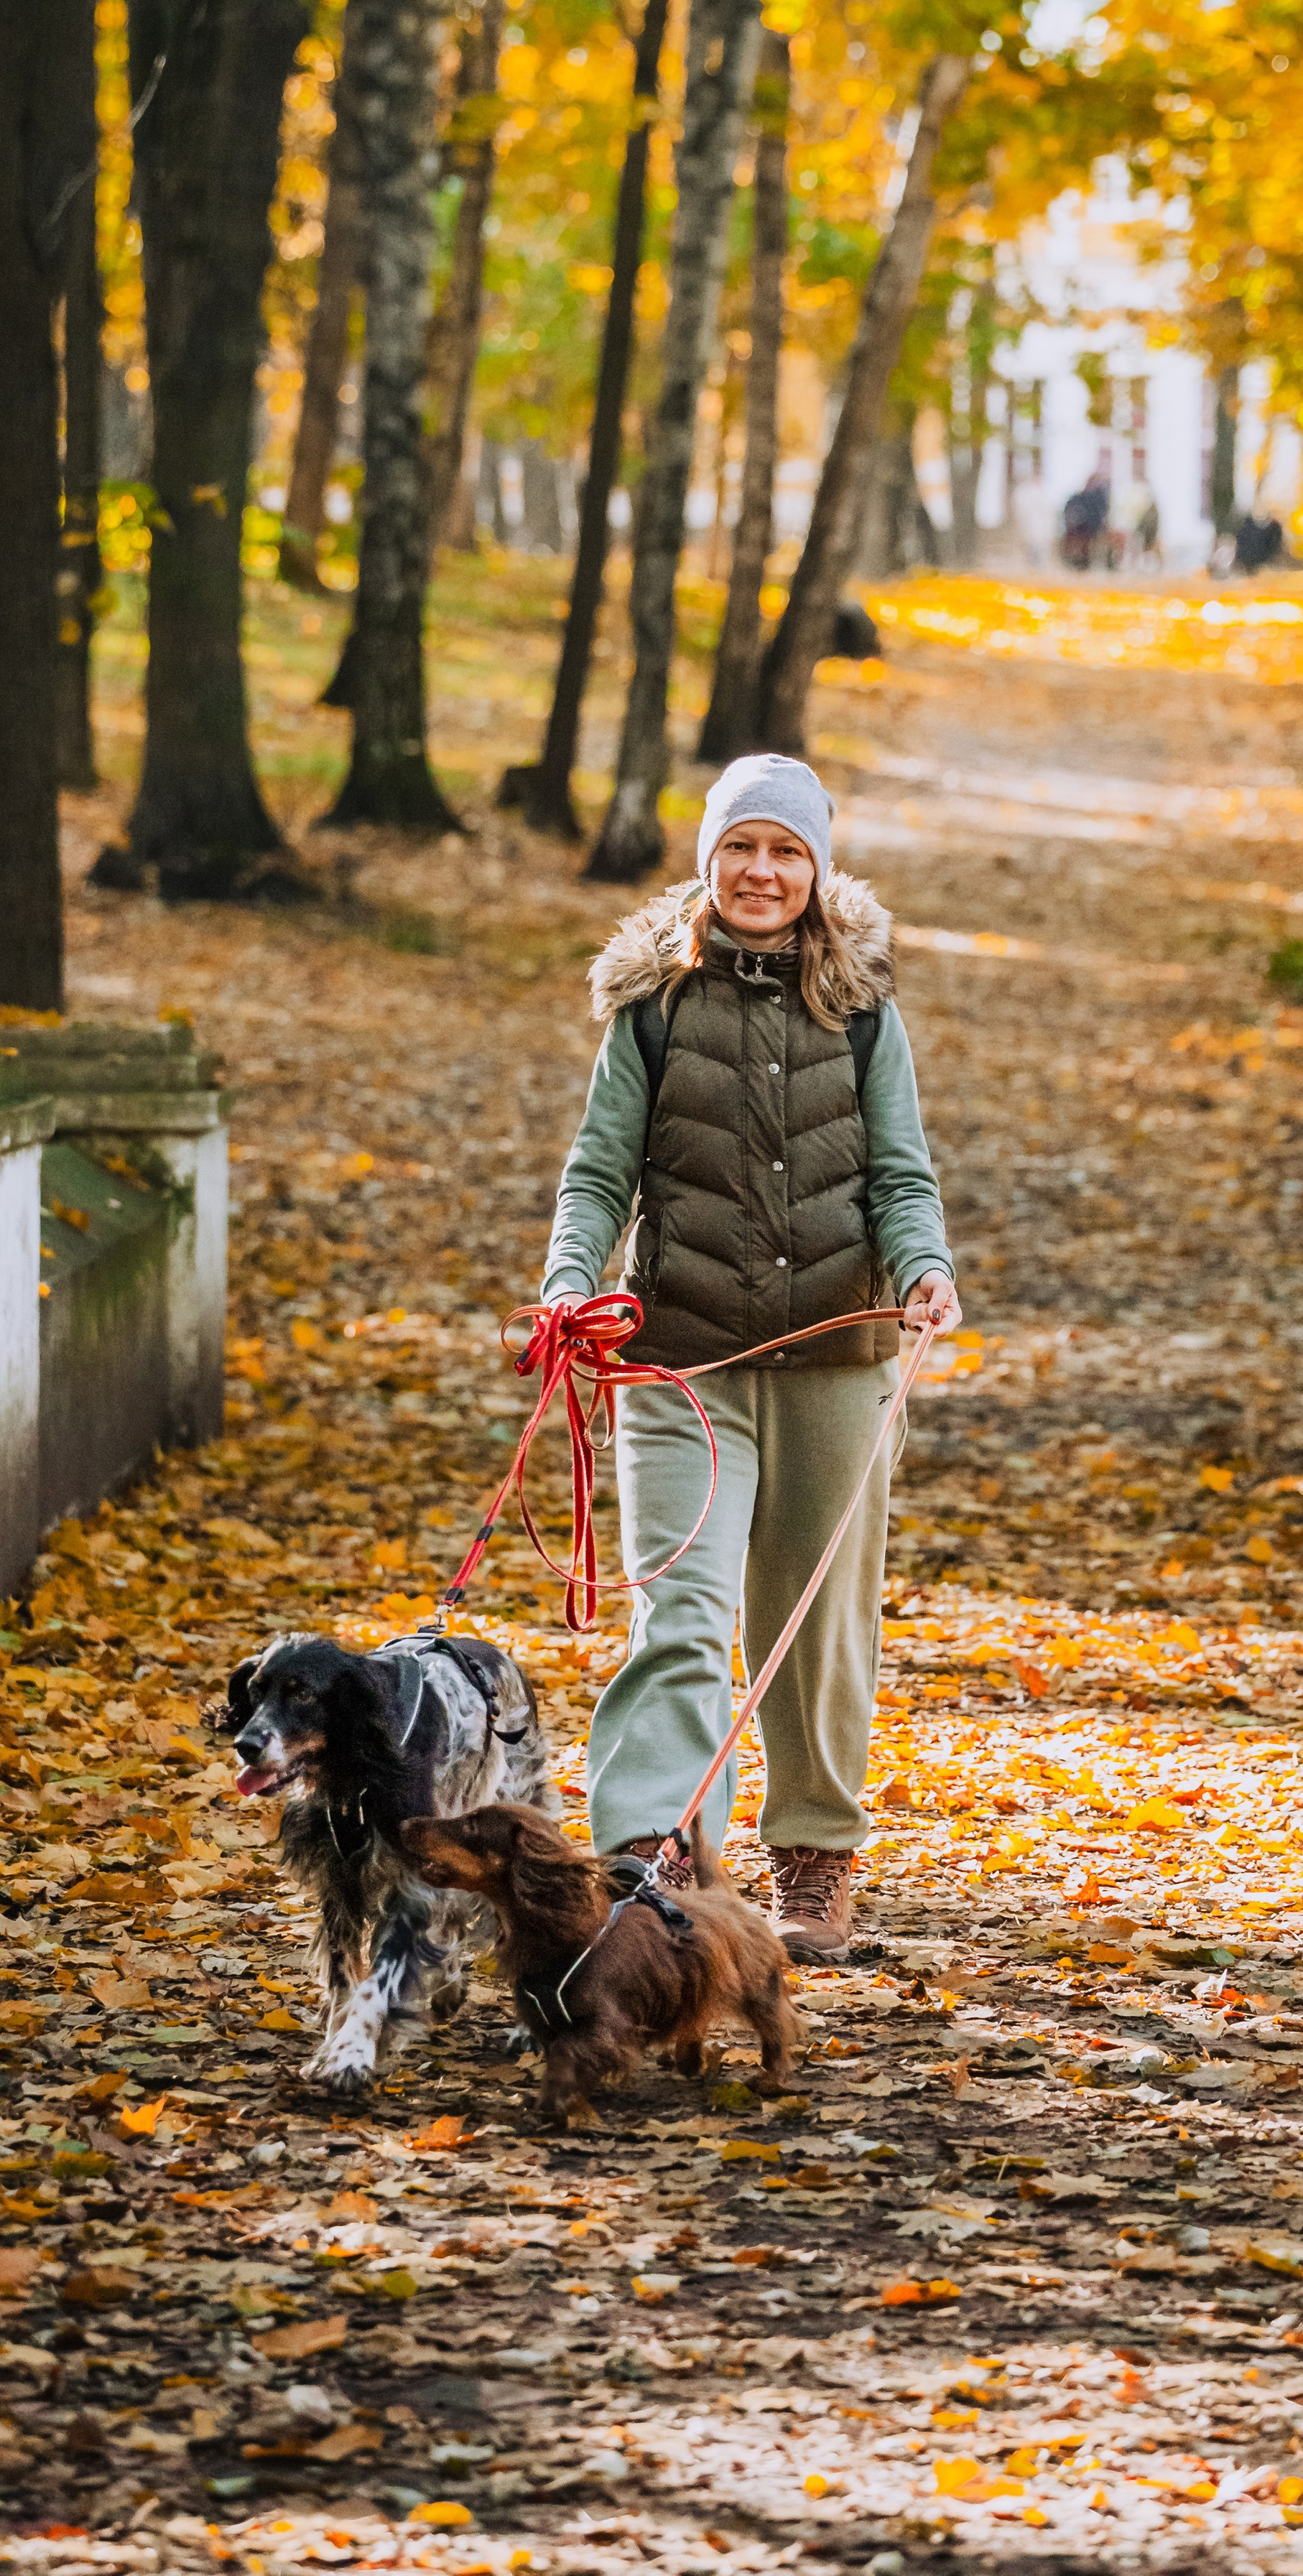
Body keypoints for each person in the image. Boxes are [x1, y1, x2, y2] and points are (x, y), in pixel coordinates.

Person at [542, 754, 959, 1961]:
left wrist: (924, 1268)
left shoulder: (864, 1007)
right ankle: (649, 1859)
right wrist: (571, 1284)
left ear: (818, 870)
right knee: (682, 1606)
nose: (762, 872)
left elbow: (900, 1175)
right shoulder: (654, 1007)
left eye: (786, 851)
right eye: (742, 849)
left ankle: (816, 1856)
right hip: (680, 1359)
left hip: (837, 1353)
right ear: (708, 862)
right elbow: (598, 1175)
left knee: (817, 1618)